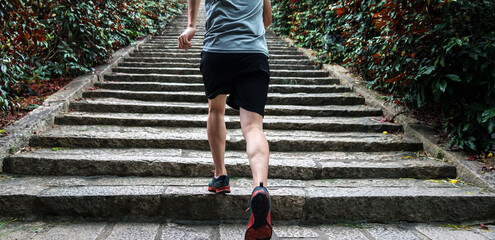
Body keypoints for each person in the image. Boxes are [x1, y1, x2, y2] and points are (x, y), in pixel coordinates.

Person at [178, 0, 273, 239]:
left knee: (216, 110)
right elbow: (267, 18)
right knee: (253, 126)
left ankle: (220, 176)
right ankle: (259, 187)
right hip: (253, 53)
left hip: (217, 51)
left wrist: (191, 25)